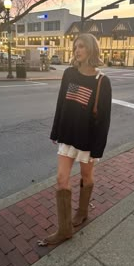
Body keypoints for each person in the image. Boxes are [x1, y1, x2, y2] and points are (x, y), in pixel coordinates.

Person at [38, 33, 112, 246]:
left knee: (87, 177)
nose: (76, 50)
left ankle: (82, 211)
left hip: (88, 140)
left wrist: (98, 149)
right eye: (75, 46)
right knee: (61, 179)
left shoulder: (102, 81)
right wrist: (55, 132)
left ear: (91, 49)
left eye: (81, 46)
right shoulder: (69, 73)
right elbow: (61, 104)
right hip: (68, 136)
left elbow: (104, 118)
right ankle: (64, 230)